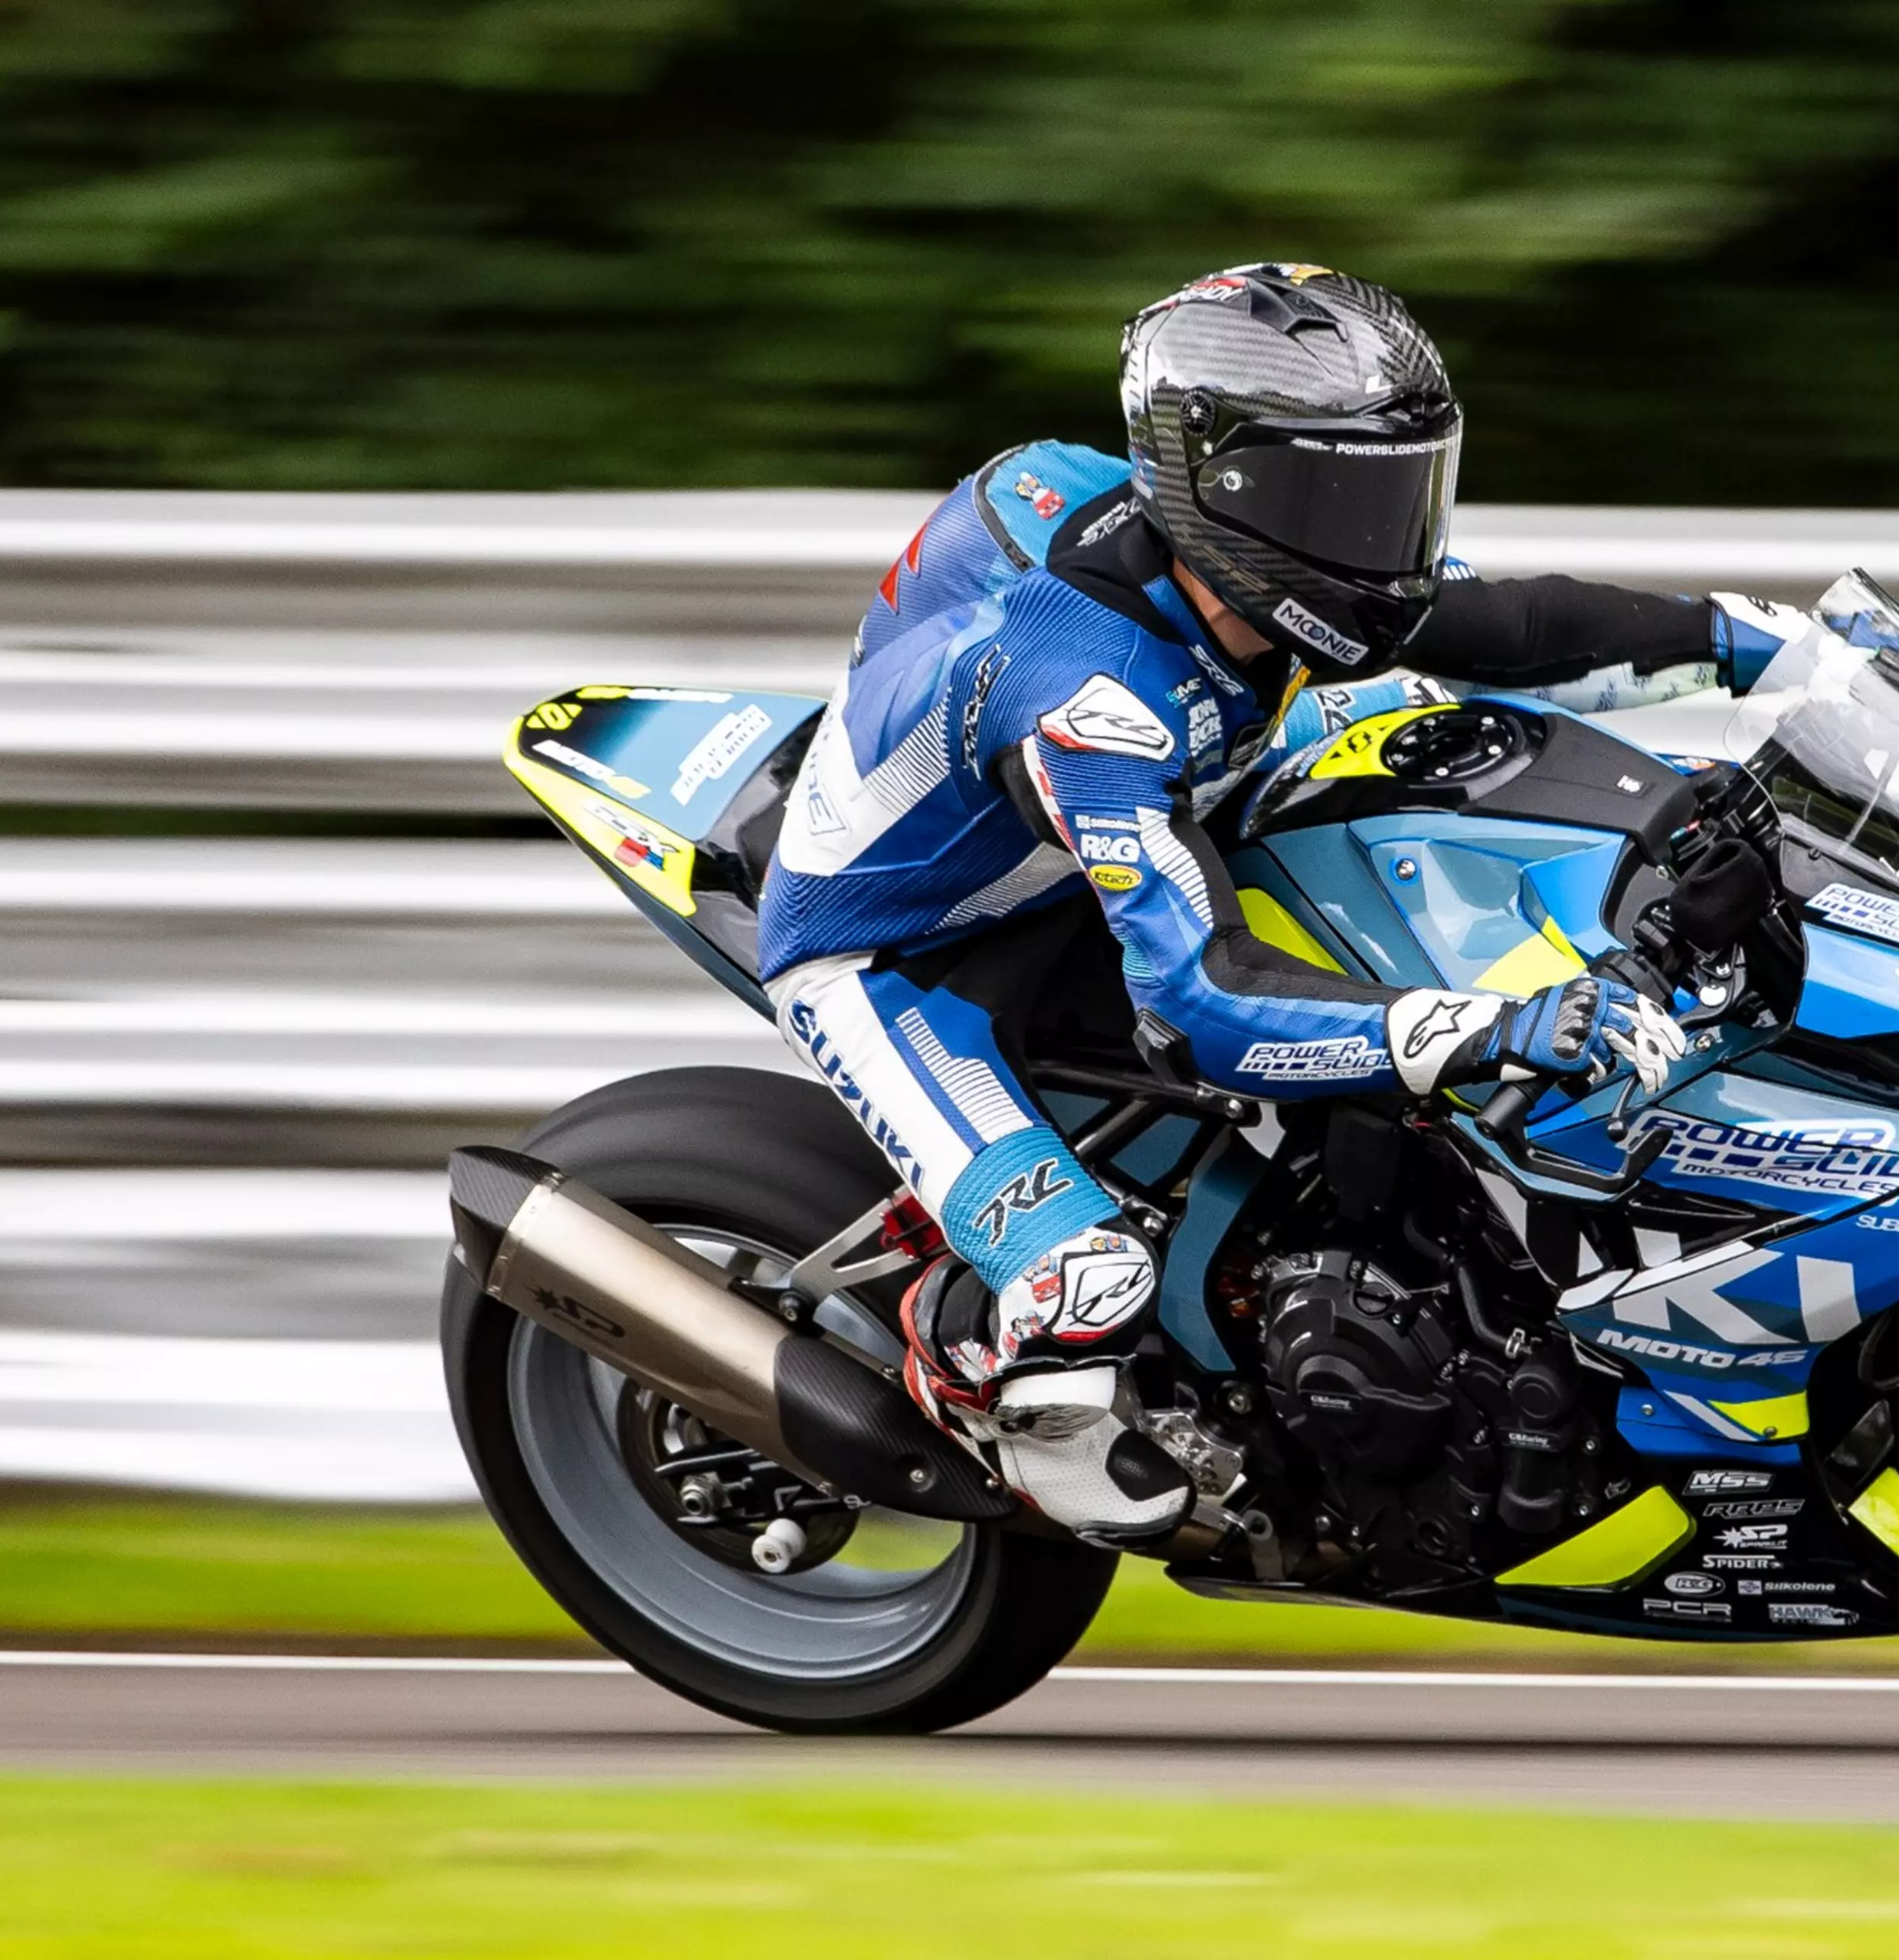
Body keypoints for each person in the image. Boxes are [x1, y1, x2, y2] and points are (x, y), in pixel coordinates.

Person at [759, 262, 1812, 1540]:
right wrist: (1485, 1030)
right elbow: (1196, 999)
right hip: (898, 954)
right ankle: (958, 1349)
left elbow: (1511, 624)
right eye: (1343, 497)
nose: (1390, 539)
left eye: (1399, 491)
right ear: (1224, 496)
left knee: (1470, 748)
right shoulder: (1094, 701)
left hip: (1130, 826)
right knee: (1089, 1284)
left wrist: (1759, 643)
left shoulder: (1244, 576)